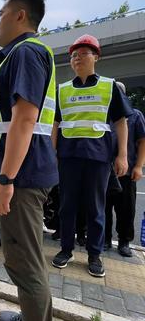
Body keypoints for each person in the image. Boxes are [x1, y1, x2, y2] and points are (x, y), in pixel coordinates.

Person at [0, 0, 58, 321]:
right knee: (22, 258)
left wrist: (7, 179)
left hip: (21, 178)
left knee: (26, 263)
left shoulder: (27, 53)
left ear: (20, 16)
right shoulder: (20, 55)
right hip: (23, 174)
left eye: (0, 13)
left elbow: (25, 119)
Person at [52, 34, 131, 278]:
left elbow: (121, 122)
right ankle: (66, 249)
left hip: (98, 156)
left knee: (96, 208)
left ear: (96, 57)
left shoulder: (109, 86)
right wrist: (52, 153)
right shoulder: (62, 90)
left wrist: (122, 156)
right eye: (74, 55)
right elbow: (56, 124)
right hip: (68, 156)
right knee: (66, 206)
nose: (77, 58)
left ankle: (94, 254)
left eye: (83, 53)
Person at [105, 81, 145, 256]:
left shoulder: (135, 115)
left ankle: (124, 241)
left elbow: (142, 141)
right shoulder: (103, 114)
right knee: (103, 207)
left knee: (126, 208)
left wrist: (138, 166)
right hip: (103, 170)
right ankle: (104, 239)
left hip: (126, 171)